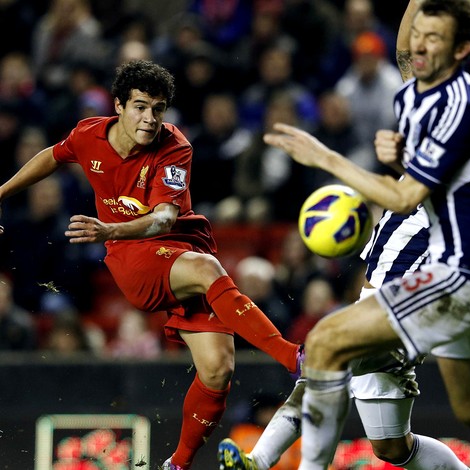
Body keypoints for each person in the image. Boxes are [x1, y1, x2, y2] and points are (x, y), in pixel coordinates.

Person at [217, 1, 470, 467]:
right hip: (398, 306)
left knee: (324, 354)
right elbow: (409, 56)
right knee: (401, 443)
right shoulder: (452, 152)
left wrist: (326, 159)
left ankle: (260, 462)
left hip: (418, 309)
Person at [0, 59, 304, 470]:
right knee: (207, 270)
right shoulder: (89, 134)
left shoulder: (174, 146)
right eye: (141, 106)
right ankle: (294, 359)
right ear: (119, 105)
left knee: (218, 370)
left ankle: (176, 465)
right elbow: (54, 156)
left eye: (158, 109)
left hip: (171, 242)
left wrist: (109, 229)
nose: (149, 118)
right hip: (133, 257)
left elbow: (164, 218)